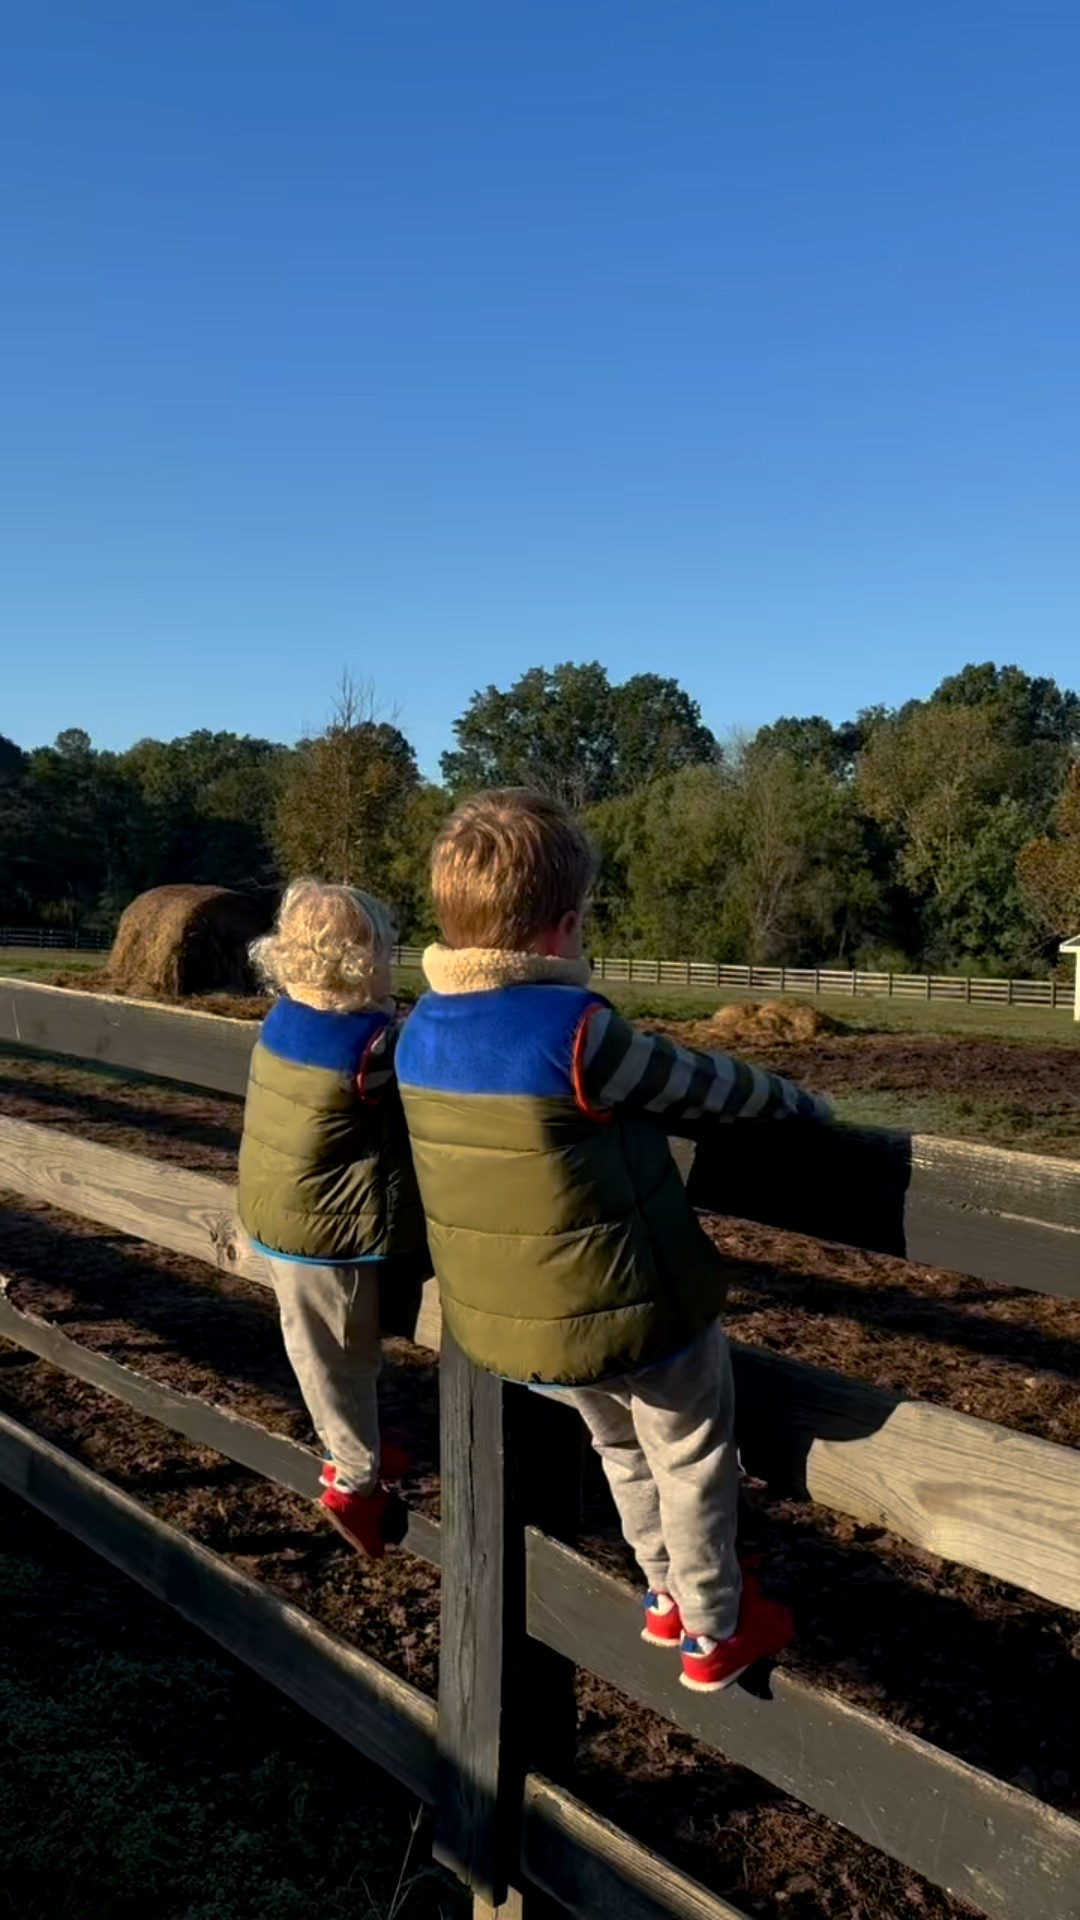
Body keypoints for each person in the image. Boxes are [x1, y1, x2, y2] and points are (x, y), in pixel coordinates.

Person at [396, 789, 829, 1690]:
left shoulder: (418, 1033)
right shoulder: (578, 1032)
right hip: (637, 1316)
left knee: (620, 1448)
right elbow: (707, 1086)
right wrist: (802, 1104)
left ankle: (664, 1591)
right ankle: (714, 1628)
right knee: (692, 1452)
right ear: (560, 928)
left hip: (524, 1331)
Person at [238, 879, 430, 1557]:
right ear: (365, 960)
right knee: (341, 1359)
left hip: (281, 1221)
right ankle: (355, 1481)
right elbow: (422, 1076)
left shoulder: (285, 1017)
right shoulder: (370, 1047)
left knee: (315, 1348)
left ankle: (360, 1443)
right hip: (331, 1237)